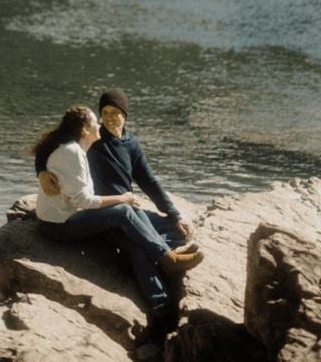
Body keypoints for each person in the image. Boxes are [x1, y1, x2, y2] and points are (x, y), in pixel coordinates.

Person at [36, 88, 200, 337]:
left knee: (180, 232)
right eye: (104, 113)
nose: (109, 118)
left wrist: (175, 214)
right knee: (136, 248)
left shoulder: (132, 144)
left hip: (124, 209)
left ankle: (162, 252)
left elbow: (150, 182)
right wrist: (41, 172)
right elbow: (49, 145)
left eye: (115, 112)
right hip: (101, 213)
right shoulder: (91, 136)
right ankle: (162, 310)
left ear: (125, 114)